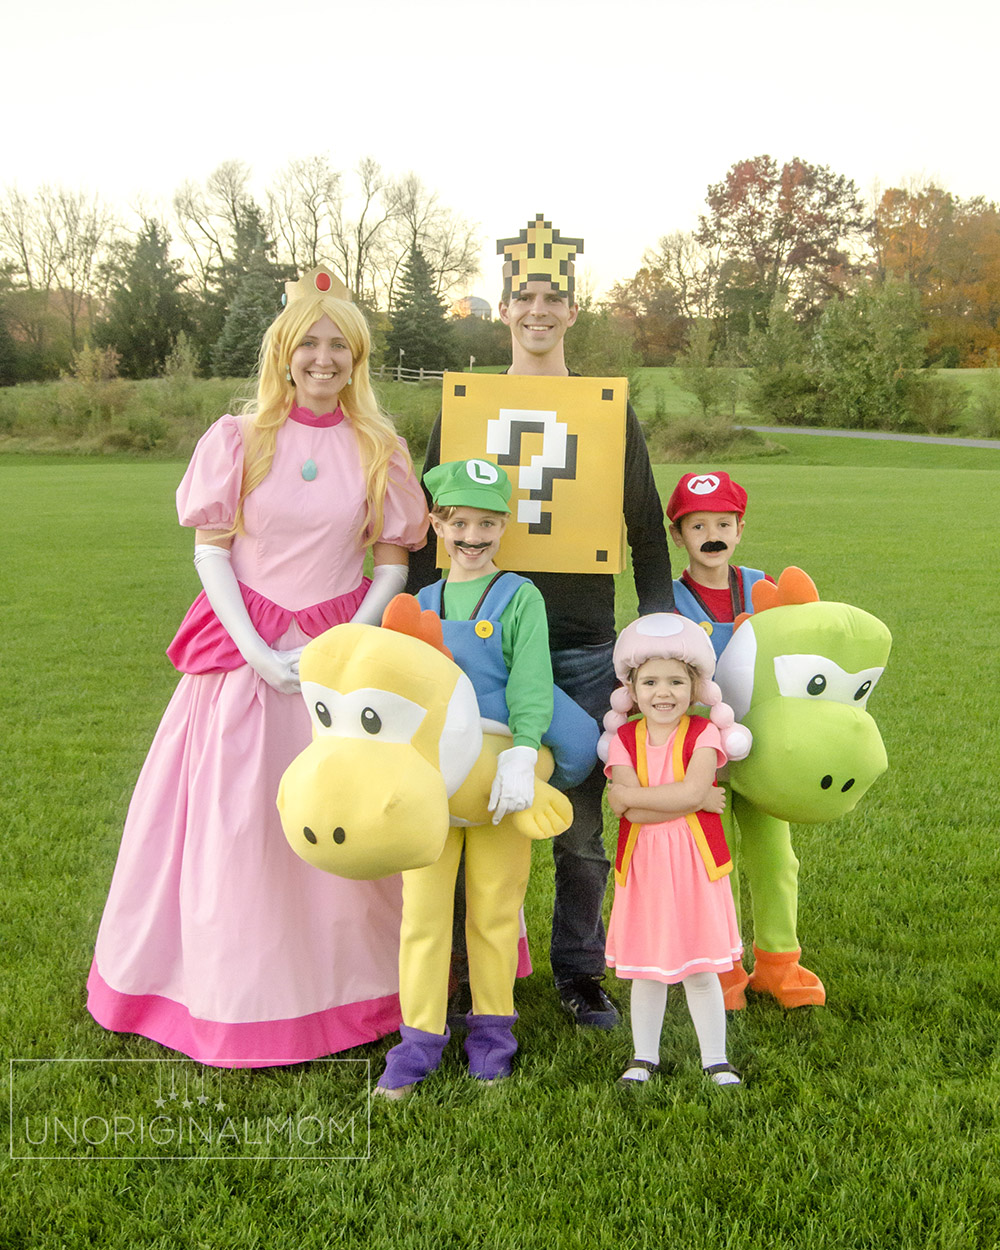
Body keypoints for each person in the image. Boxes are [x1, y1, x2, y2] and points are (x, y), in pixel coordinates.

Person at [87, 266, 429, 1068]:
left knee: (348, 813)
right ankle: (234, 994)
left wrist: (338, 643)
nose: (322, 358)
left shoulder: (381, 448)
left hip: (337, 658)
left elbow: (390, 565)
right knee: (236, 825)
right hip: (242, 659)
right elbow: (213, 553)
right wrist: (255, 651)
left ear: (358, 358)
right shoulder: (235, 440)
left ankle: (360, 987)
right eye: (307, 342)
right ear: (282, 353)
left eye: (337, 345)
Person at [408, 216, 674, 1029]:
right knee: (461, 806)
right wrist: (414, 626)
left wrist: (659, 619)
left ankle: (577, 973)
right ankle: (456, 974)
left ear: (571, 311)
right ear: (504, 308)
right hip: (476, 643)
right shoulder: (467, 407)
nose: (537, 309)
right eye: (524, 295)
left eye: (552, 296)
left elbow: (643, 521)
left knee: (580, 826)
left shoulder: (603, 409)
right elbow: (429, 521)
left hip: (582, 640)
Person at [377, 459, 597, 1096]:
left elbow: (531, 680)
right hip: (433, 783)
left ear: (504, 526)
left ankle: (493, 1036)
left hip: (503, 778)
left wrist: (525, 751)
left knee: (495, 912)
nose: (473, 536)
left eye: (487, 523)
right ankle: (417, 1041)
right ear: (438, 526)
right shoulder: (416, 605)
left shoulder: (519, 596)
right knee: (422, 915)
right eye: (459, 522)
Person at [601, 613, 747, 1087]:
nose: (663, 693)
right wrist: (689, 798)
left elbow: (654, 798)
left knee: (700, 968)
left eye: (675, 682)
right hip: (645, 867)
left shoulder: (704, 732)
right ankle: (644, 1057)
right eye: (650, 682)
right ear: (631, 689)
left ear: (695, 686)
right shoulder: (624, 739)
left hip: (695, 864)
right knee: (648, 970)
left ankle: (716, 1058)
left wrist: (675, 796)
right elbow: (637, 811)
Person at [666, 471, 772, 661]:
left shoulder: (762, 586)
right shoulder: (669, 601)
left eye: (723, 525)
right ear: (677, 535)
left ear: (739, 531)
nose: (713, 537)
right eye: (698, 527)